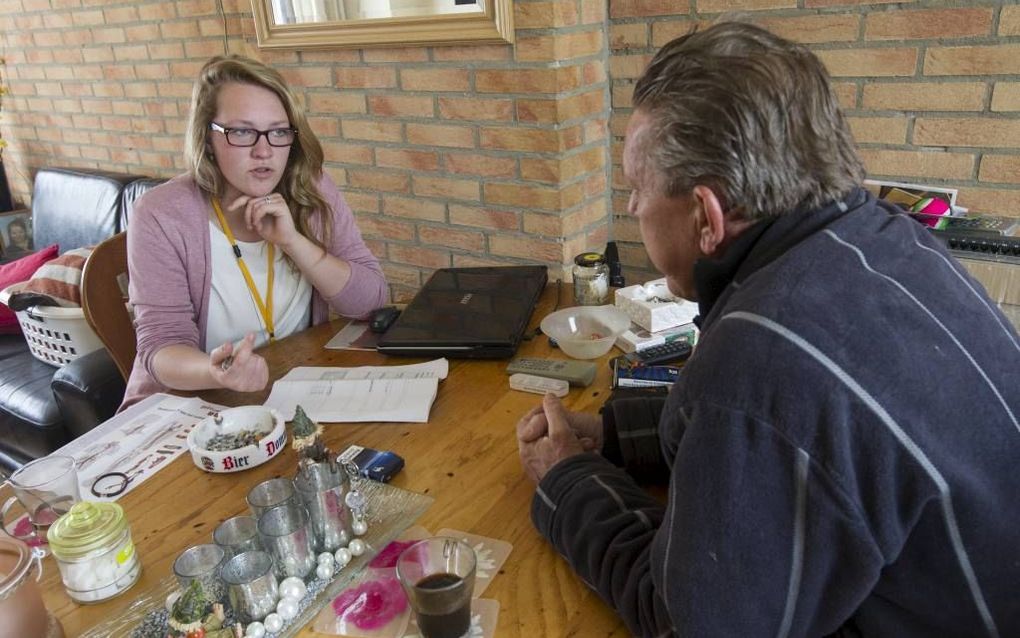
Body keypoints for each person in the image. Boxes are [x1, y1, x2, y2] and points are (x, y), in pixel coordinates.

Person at [516, 22, 1020, 638]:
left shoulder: (758, 356)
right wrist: (614, 434)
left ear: (707, 215)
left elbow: (689, 623)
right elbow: (786, 432)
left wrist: (566, 479)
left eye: (636, 187)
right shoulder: (889, 237)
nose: (632, 208)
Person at [122, 55, 387, 408]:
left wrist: (294, 242)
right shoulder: (162, 214)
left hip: (288, 391)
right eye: (242, 132)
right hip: (188, 407)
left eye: (278, 132)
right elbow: (161, 348)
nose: (264, 152)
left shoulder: (313, 191)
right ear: (208, 139)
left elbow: (372, 302)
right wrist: (217, 372)